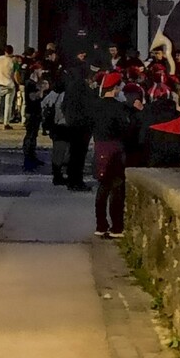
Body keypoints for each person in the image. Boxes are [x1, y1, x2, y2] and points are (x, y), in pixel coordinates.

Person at [90, 72, 131, 238]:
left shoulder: (95, 106)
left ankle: (100, 224)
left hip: (99, 146)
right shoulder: (119, 108)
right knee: (116, 187)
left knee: (102, 187)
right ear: (115, 88)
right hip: (115, 148)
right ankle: (117, 227)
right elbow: (125, 129)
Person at [64, 70, 95, 191]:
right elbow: (90, 106)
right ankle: (77, 181)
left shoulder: (71, 88)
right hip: (82, 126)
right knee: (79, 155)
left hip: (72, 123)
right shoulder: (84, 89)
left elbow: (64, 105)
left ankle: (71, 180)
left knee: (73, 153)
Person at [22, 65, 44, 171]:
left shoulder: (35, 83)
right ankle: (28, 158)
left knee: (34, 135)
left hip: (36, 111)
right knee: (30, 135)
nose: (41, 72)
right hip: (31, 112)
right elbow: (32, 97)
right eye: (40, 70)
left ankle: (32, 156)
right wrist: (41, 90)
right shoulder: (29, 83)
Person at [0, 45, 17, 130]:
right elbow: (15, 73)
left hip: (0, 83)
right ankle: (6, 123)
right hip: (10, 84)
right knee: (8, 105)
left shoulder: (0, 59)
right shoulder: (13, 61)